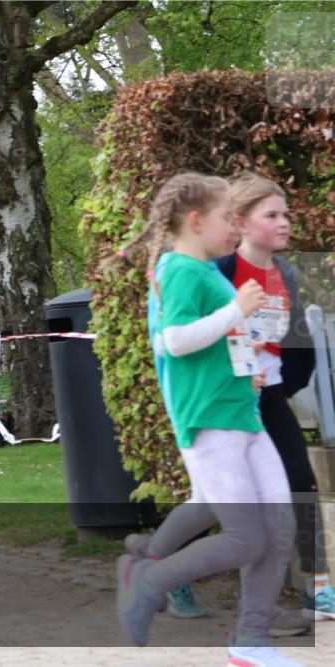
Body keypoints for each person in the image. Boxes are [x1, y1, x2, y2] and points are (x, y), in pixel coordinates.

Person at [124, 174, 333, 630]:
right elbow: (175, 341)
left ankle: (255, 629)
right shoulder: (186, 270)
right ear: (199, 221)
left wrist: (248, 363)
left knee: (276, 522)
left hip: (248, 404)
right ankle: (152, 574)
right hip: (211, 416)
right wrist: (237, 311)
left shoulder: (217, 272)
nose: (235, 229)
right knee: (244, 535)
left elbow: (230, 336)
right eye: (229, 219)